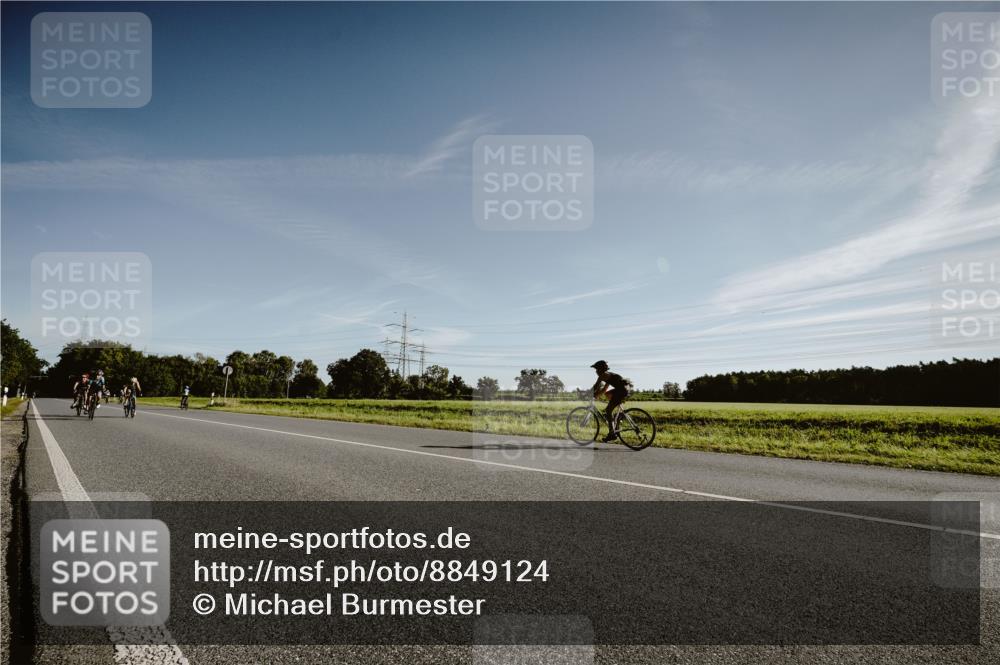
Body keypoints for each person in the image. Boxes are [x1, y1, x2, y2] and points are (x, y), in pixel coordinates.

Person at [590, 360, 631, 442]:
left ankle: (612, 434)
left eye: (596, 369)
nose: (596, 372)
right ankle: (617, 416)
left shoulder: (603, 375)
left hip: (621, 390)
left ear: (600, 369)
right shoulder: (608, 375)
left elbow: (596, 386)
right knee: (607, 394)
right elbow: (604, 390)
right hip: (625, 389)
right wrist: (595, 396)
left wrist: (587, 394)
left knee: (608, 410)